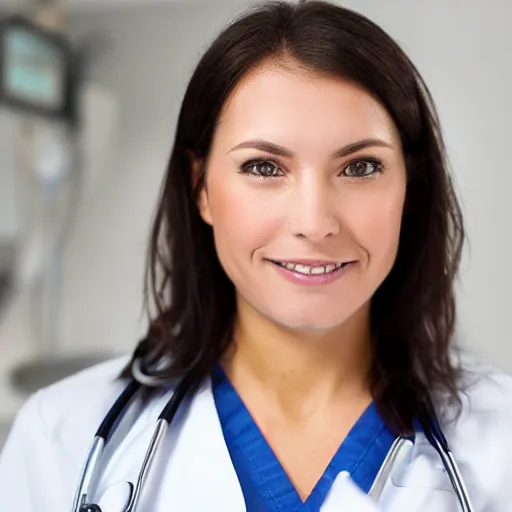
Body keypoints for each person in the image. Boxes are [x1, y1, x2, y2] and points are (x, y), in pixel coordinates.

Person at [1, 1, 512, 510]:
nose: (314, 223)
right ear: (201, 187)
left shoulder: (501, 442)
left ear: (410, 187)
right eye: (265, 167)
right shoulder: (58, 439)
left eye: (360, 168)